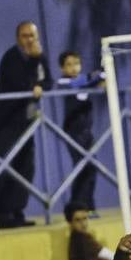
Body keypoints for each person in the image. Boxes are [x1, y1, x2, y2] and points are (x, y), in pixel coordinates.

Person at [0, 22, 49, 229]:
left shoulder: (39, 56)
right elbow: (21, 83)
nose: (29, 40)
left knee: (25, 168)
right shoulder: (12, 57)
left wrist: (40, 80)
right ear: (17, 38)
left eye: (32, 35)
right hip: (4, 122)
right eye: (24, 36)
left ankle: (17, 211)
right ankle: (3, 216)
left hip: (25, 123)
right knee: (4, 167)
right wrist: (35, 61)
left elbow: (48, 81)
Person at [56, 50, 104, 212]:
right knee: (82, 168)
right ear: (62, 68)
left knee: (91, 168)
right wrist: (96, 76)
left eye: (76, 64)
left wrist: (102, 78)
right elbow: (80, 83)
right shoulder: (63, 82)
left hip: (87, 133)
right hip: (73, 133)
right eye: (69, 65)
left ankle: (88, 206)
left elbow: (100, 82)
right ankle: (78, 206)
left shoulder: (85, 82)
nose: (74, 68)